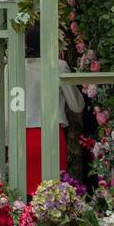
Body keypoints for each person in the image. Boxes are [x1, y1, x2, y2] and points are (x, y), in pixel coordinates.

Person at [23, 25, 86, 198]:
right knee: (53, 196)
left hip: (22, 138)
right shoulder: (59, 66)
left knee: (23, 196)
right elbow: (77, 105)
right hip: (51, 136)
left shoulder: (12, 68)